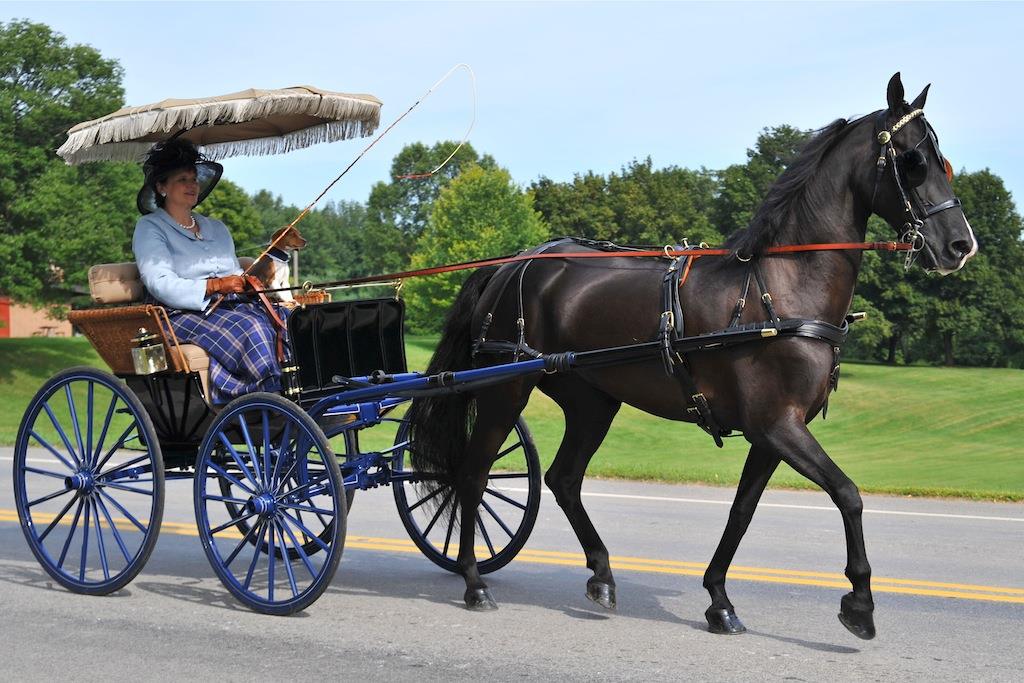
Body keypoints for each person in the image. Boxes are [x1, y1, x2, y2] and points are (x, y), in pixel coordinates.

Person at [132, 138, 288, 404]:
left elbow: (233, 273)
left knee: (289, 318)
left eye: (194, 179)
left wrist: (244, 282)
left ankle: (300, 389)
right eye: (183, 179)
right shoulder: (150, 227)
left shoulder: (216, 228)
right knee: (249, 327)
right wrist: (215, 286)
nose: (192, 185)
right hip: (179, 313)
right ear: (161, 187)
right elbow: (160, 283)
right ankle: (264, 396)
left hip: (230, 306)